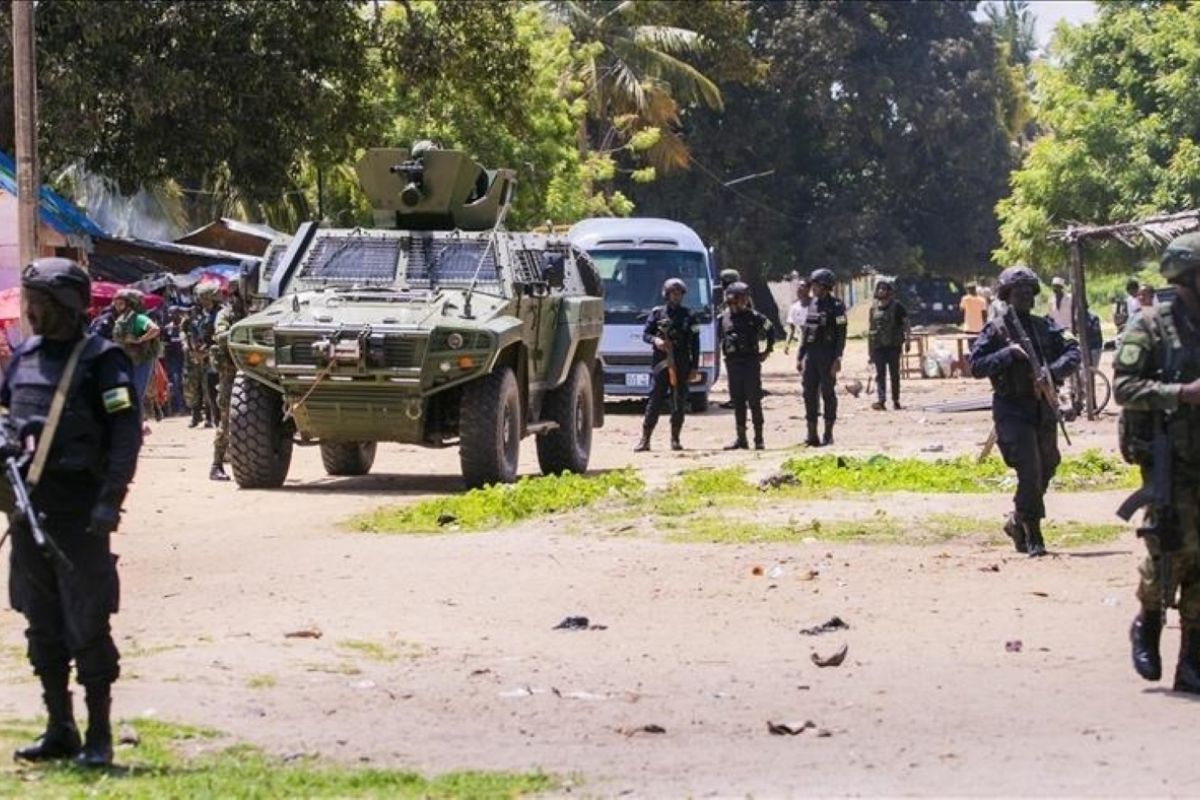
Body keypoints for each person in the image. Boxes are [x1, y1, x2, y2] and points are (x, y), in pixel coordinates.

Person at [2, 258, 141, 767]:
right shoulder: (24, 359)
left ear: (64, 306)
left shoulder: (103, 361)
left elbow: (125, 435)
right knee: (42, 624)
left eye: (37, 304)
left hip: (80, 517)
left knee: (88, 624)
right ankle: (59, 727)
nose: (30, 313)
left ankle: (99, 735)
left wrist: (110, 500)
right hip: (26, 511)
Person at [1114, 233, 1200, 693]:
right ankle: (1147, 622)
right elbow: (1124, 386)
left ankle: (1192, 662)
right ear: (1188, 278)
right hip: (1171, 460)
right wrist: (1180, 394)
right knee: (1169, 552)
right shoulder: (1150, 326)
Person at [969, 266, 1080, 557]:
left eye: (1029, 292)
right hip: (1012, 408)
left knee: (1048, 464)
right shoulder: (996, 329)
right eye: (1018, 292)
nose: (1025, 297)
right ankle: (1034, 532)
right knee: (1029, 469)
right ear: (1007, 295)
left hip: (1041, 405)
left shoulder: (1044, 326)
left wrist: (1051, 371)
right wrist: (1008, 354)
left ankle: (1018, 519)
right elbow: (976, 366)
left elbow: (1073, 352)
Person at [634, 278, 701, 452]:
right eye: (673, 293)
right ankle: (645, 439)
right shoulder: (657, 313)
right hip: (661, 363)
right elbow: (646, 334)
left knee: (678, 402)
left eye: (679, 293)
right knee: (655, 401)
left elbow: (695, 343)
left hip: (682, 363)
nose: (676, 296)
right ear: (666, 294)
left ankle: (675, 439)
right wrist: (656, 340)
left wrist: (694, 367)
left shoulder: (689, 315)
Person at [718, 282, 773, 450]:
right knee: (738, 401)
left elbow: (770, 329)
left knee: (754, 401)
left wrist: (767, 350)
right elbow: (719, 338)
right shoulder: (723, 318)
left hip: (750, 363)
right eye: (742, 297)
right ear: (732, 299)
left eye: (746, 297)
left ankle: (759, 439)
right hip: (733, 364)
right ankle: (741, 439)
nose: (745, 301)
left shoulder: (754, 317)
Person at [797, 268, 847, 446]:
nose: (812, 288)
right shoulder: (811, 304)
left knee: (828, 393)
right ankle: (812, 435)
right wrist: (800, 356)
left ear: (825, 286)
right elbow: (806, 332)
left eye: (815, 285)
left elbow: (841, 334)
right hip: (811, 356)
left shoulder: (837, 307)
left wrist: (838, 359)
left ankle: (828, 434)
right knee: (809, 394)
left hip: (828, 357)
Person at [209, 283, 247, 481]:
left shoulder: (252, 312)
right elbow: (220, 335)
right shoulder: (225, 314)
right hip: (230, 373)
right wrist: (243, 332)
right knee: (226, 420)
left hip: (252, 372)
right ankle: (216, 464)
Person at [110, 289, 160, 418]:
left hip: (140, 361)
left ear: (130, 303)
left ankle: (137, 424)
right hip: (126, 360)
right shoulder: (120, 319)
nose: (116, 305)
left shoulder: (138, 318)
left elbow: (155, 329)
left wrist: (139, 340)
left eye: (120, 303)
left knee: (136, 393)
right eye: (116, 302)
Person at [867, 279, 911, 411]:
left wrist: (908, 340)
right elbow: (871, 329)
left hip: (893, 346)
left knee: (894, 374)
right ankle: (881, 400)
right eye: (879, 288)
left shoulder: (897, 307)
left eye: (884, 289)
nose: (881, 291)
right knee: (880, 375)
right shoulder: (873, 308)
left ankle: (896, 400)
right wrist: (870, 351)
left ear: (889, 292)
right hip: (878, 346)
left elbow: (906, 323)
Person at [184, 284, 221, 428]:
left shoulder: (220, 313)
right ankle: (200, 416)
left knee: (213, 388)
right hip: (197, 355)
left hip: (214, 354)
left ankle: (214, 418)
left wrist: (208, 348)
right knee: (197, 386)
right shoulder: (196, 313)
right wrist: (190, 346)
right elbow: (187, 330)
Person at [162, 307, 187, 416]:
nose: (172, 315)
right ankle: (181, 407)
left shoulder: (184, 325)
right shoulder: (168, 328)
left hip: (186, 358)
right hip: (174, 360)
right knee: (176, 382)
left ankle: (192, 406)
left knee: (187, 382)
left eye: (174, 313)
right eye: (170, 313)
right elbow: (165, 344)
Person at [784, 279, 812, 355]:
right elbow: (791, 329)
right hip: (802, 343)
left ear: (809, 289)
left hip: (817, 343)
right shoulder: (794, 308)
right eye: (798, 286)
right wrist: (787, 344)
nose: (799, 288)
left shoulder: (816, 305)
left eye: (802, 286)